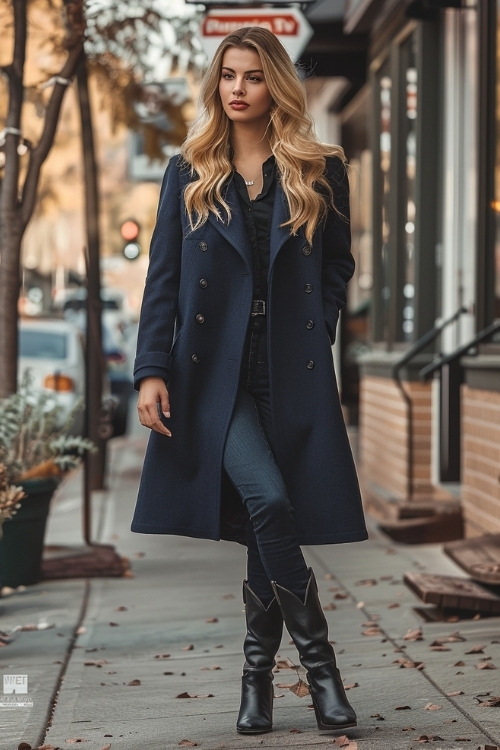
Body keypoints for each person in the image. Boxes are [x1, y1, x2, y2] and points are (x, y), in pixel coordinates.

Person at [132, 26, 368, 736]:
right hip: (214, 375)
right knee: (267, 499)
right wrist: (150, 371)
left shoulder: (320, 167)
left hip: (289, 368)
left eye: (253, 76)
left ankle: (257, 684)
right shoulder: (188, 170)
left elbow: (338, 266)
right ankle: (321, 670)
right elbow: (163, 284)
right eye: (228, 75)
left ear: (276, 87)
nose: (238, 88)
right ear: (217, 84)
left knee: (273, 519)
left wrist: (319, 326)